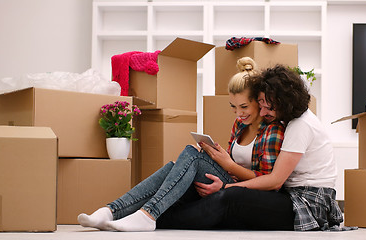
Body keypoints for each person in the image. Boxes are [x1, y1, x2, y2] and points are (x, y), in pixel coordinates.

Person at [77, 57, 285, 232]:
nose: (239, 113)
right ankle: (111, 211)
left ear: (258, 102)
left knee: (190, 156)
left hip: (251, 194)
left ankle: (147, 215)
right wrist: (216, 156)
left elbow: (268, 181)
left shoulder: (272, 131)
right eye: (233, 107)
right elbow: (231, 163)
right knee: (178, 163)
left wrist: (228, 166)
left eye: (244, 106)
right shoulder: (240, 125)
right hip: (230, 179)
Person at [159, 64, 344, 231]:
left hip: (307, 202)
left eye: (269, 108)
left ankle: (162, 219)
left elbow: (275, 181)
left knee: (232, 198)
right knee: (219, 198)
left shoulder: (300, 125)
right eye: (261, 105)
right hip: (288, 194)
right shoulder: (284, 120)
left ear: (285, 102)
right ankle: (153, 212)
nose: (263, 113)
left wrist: (226, 186)